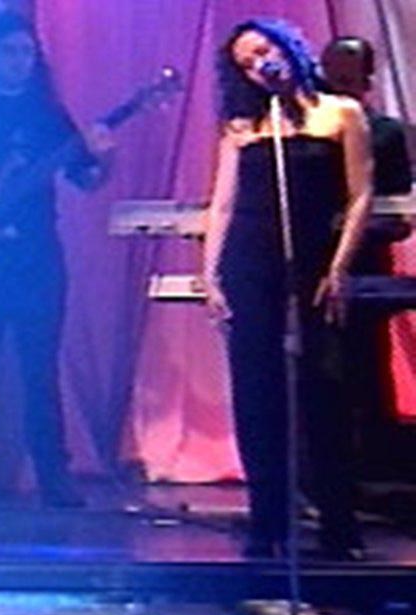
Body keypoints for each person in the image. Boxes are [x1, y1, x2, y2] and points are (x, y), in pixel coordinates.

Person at [202, 19, 373, 560]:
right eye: (247, 63)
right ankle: (267, 520)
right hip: (251, 262)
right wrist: (210, 274)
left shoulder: (340, 113)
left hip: (314, 262)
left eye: (263, 51)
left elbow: (360, 196)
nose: (259, 65)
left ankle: (338, 523)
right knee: (257, 390)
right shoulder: (243, 126)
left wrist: (340, 266)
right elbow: (223, 205)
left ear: (287, 47)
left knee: (326, 389)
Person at [0, 11, 113, 510]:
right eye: (9, 51)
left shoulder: (48, 116)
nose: (19, 61)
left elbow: (87, 179)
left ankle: (55, 476)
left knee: (40, 370)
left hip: (37, 259)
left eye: (27, 52)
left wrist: (103, 154)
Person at [319, 35, 413, 484]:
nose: (337, 88)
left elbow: (399, 215)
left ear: (366, 81)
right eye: (330, 79)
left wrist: (357, 228)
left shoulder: (385, 133)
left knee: (364, 365)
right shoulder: (307, 128)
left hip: (363, 266)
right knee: (316, 369)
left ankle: (374, 470)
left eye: (347, 80)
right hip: (309, 260)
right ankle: (320, 470)